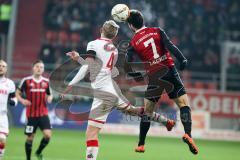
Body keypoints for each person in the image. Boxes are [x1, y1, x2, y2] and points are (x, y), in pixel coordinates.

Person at [63, 20, 175, 160]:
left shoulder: (93, 44)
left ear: (101, 29)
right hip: (111, 89)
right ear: (114, 35)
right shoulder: (114, 50)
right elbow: (99, 67)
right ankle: (165, 121)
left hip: (103, 93)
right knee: (132, 110)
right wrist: (79, 58)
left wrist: (70, 84)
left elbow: (89, 67)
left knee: (91, 134)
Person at [126, 10, 198, 154]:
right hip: (170, 70)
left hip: (154, 75)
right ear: (143, 21)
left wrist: (134, 74)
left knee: (147, 111)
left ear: (131, 26)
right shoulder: (157, 31)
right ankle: (188, 134)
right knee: (183, 104)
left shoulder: (133, 42)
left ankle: (141, 144)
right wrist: (182, 59)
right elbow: (171, 46)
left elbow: (127, 63)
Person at [16, 60, 53, 160]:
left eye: (41, 67)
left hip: (43, 113)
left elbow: (50, 94)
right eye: (37, 67)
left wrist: (49, 98)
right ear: (33, 68)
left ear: (43, 69)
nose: (39, 69)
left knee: (48, 135)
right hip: (31, 115)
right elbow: (17, 93)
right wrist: (22, 100)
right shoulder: (26, 80)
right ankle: (28, 158)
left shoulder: (46, 82)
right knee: (30, 138)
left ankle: (38, 152)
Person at [0, 60, 18, 160]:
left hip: (2, 116)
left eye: (3, 66)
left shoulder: (10, 83)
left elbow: (14, 98)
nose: (1, 67)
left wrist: (13, 102)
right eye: (0, 65)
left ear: (6, 69)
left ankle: (1, 156)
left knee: (2, 139)